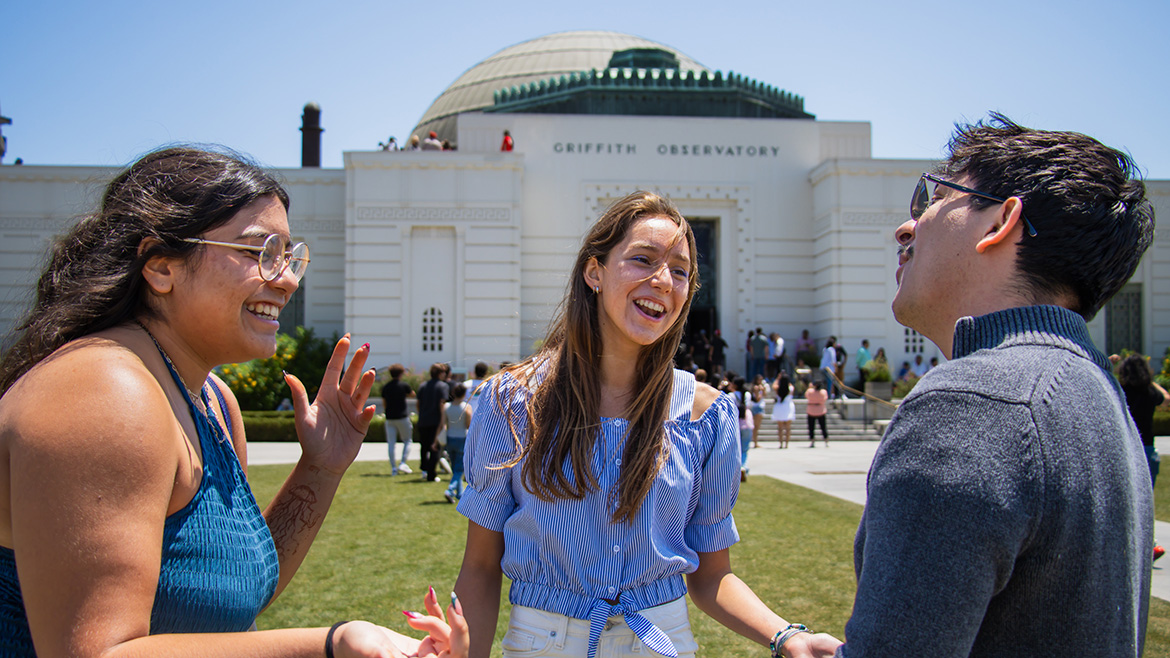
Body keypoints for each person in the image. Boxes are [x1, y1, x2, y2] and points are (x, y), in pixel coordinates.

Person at [0, 146, 464, 657]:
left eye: (289, 255)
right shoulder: (104, 391)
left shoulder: (214, 401)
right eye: (258, 252)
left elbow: (230, 593)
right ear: (160, 268)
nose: (285, 279)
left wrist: (320, 470)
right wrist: (333, 645)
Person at [452, 191, 840, 658]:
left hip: (661, 643)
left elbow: (712, 575)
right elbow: (479, 566)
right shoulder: (511, 402)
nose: (662, 281)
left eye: (680, 271)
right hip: (543, 645)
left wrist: (788, 636)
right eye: (643, 259)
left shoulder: (704, 415)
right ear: (594, 272)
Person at [835, 113, 1156, 656]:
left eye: (932, 199)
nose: (906, 227)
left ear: (1000, 224)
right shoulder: (1099, 395)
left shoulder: (974, 404)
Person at [1118, 354, 1169, 486]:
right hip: (1146, 447)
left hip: (1126, 449)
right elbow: (1166, 399)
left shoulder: (1120, 391)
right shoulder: (1150, 392)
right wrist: (1150, 381)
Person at [437, 383, 473, 504]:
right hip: (462, 438)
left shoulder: (446, 406)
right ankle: (450, 490)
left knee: (455, 468)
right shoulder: (466, 407)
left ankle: (459, 493)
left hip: (450, 438)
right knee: (459, 469)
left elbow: (442, 424)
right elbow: (469, 425)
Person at [416, 363, 450, 482]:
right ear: (440, 373)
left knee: (424, 447)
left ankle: (424, 470)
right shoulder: (443, 386)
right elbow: (442, 404)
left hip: (423, 420)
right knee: (435, 447)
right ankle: (431, 474)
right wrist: (443, 421)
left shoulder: (423, 385)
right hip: (436, 421)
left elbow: (418, 404)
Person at [382, 363, 415, 475]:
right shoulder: (403, 385)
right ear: (401, 373)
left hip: (390, 417)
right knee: (407, 440)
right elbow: (412, 394)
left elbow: (384, 403)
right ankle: (403, 463)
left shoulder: (386, 387)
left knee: (391, 443)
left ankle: (393, 468)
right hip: (402, 417)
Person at [771, 373, 795, 448]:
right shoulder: (790, 388)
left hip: (780, 407)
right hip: (788, 406)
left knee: (780, 428)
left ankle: (781, 443)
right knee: (788, 428)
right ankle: (786, 444)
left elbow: (773, 385)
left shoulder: (778, 388)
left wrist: (778, 378)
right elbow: (790, 386)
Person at [804, 381, 828, 448]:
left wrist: (810, 387)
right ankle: (826, 439)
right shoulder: (823, 392)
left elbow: (806, 395)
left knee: (811, 427)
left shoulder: (810, 391)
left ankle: (812, 440)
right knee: (823, 426)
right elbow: (825, 399)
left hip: (811, 409)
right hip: (821, 409)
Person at [750, 374, 768, 449]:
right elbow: (757, 399)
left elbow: (765, 395)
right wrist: (761, 391)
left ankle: (755, 442)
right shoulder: (756, 387)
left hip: (758, 406)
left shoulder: (760, 387)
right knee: (756, 426)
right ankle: (755, 442)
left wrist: (763, 390)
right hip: (757, 407)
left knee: (757, 426)